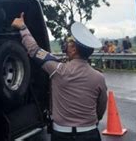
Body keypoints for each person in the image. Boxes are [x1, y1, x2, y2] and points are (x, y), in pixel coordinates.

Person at [11, 13, 107, 141]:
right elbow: (101, 108)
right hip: (89, 134)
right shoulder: (99, 77)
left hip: (62, 135)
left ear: (73, 50)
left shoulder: (57, 69)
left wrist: (23, 28)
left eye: (69, 43)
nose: (66, 45)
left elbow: (34, 50)